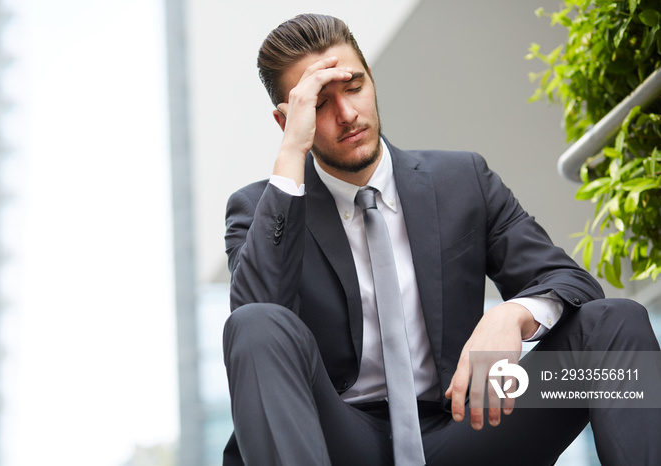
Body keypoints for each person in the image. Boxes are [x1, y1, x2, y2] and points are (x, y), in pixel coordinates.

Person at [222, 13, 661, 466]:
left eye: (354, 87)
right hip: (336, 439)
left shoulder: (461, 180)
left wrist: (512, 315)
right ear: (286, 120)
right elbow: (255, 325)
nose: (347, 114)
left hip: (467, 422)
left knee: (616, 322)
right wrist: (292, 154)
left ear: (371, 79)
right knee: (255, 324)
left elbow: (570, 282)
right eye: (319, 104)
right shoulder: (264, 209)